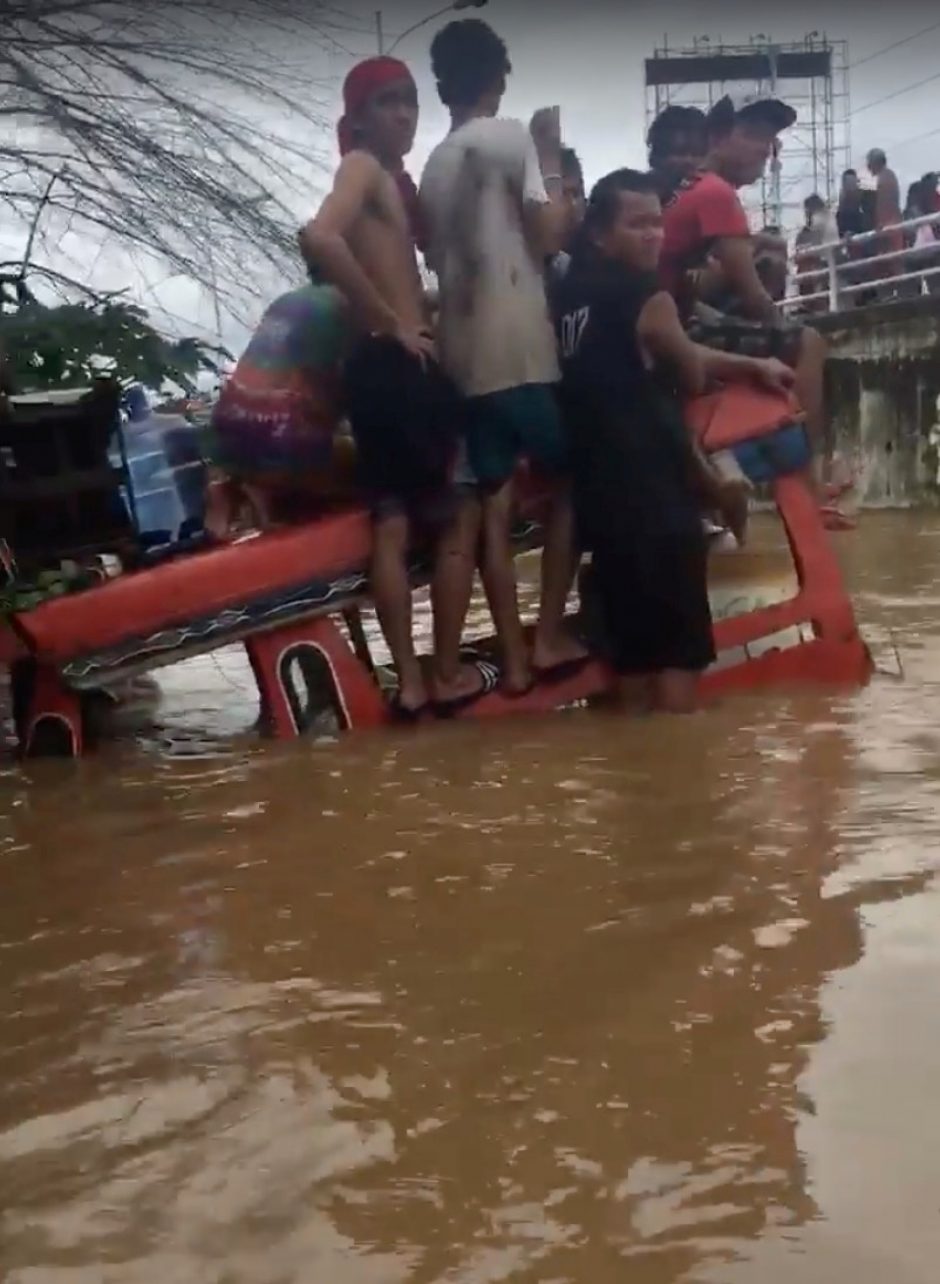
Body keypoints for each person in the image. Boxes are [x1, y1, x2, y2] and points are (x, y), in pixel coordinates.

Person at [554, 168, 794, 714]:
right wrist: (752, 362)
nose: (654, 236)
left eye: (657, 224)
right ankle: (683, 790)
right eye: (637, 224)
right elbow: (687, 371)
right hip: (658, 503)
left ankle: (641, 783)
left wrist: (749, 362)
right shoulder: (646, 294)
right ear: (599, 233)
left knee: (632, 664)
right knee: (678, 667)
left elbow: (655, 348)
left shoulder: (569, 297)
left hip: (602, 500)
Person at [301, 56, 490, 721]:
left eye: (410, 102)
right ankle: (441, 673)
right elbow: (317, 236)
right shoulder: (364, 169)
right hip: (401, 367)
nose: (405, 114)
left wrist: (411, 311)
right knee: (458, 512)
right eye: (388, 103)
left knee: (391, 520)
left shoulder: (380, 179)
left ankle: (407, 685)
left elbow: (362, 260)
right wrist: (392, 320)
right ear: (357, 119)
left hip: (372, 372)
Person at [420, 18, 588, 698]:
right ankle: (546, 635)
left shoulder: (434, 162)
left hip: (462, 354)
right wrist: (547, 148)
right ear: (499, 77)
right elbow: (547, 237)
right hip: (516, 345)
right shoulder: (509, 138)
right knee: (578, 476)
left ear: (441, 85)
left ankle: (502, 663)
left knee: (491, 502)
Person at [658, 93, 850, 527]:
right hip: (672, 328)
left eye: (770, 138)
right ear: (720, 137)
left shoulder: (689, 185)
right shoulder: (716, 193)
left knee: (769, 265)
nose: (765, 148)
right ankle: (808, 486)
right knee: (809, 343)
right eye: (754, 135)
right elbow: (754, 299)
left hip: (664, 317)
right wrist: (786, 338)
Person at [647, 105, 708, 200]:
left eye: (697, 153)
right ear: (659, 154)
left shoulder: (711, 193)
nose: (689, 160)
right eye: (680, 153)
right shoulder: (642, 196)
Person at [867, 148, 903, 288]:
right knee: (890, 261)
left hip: (889, 224)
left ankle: (899, 293)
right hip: (892, 222)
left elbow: (886, 204)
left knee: (891, 260)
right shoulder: (888, 176)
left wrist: (882, 224)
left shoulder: (885, 178)